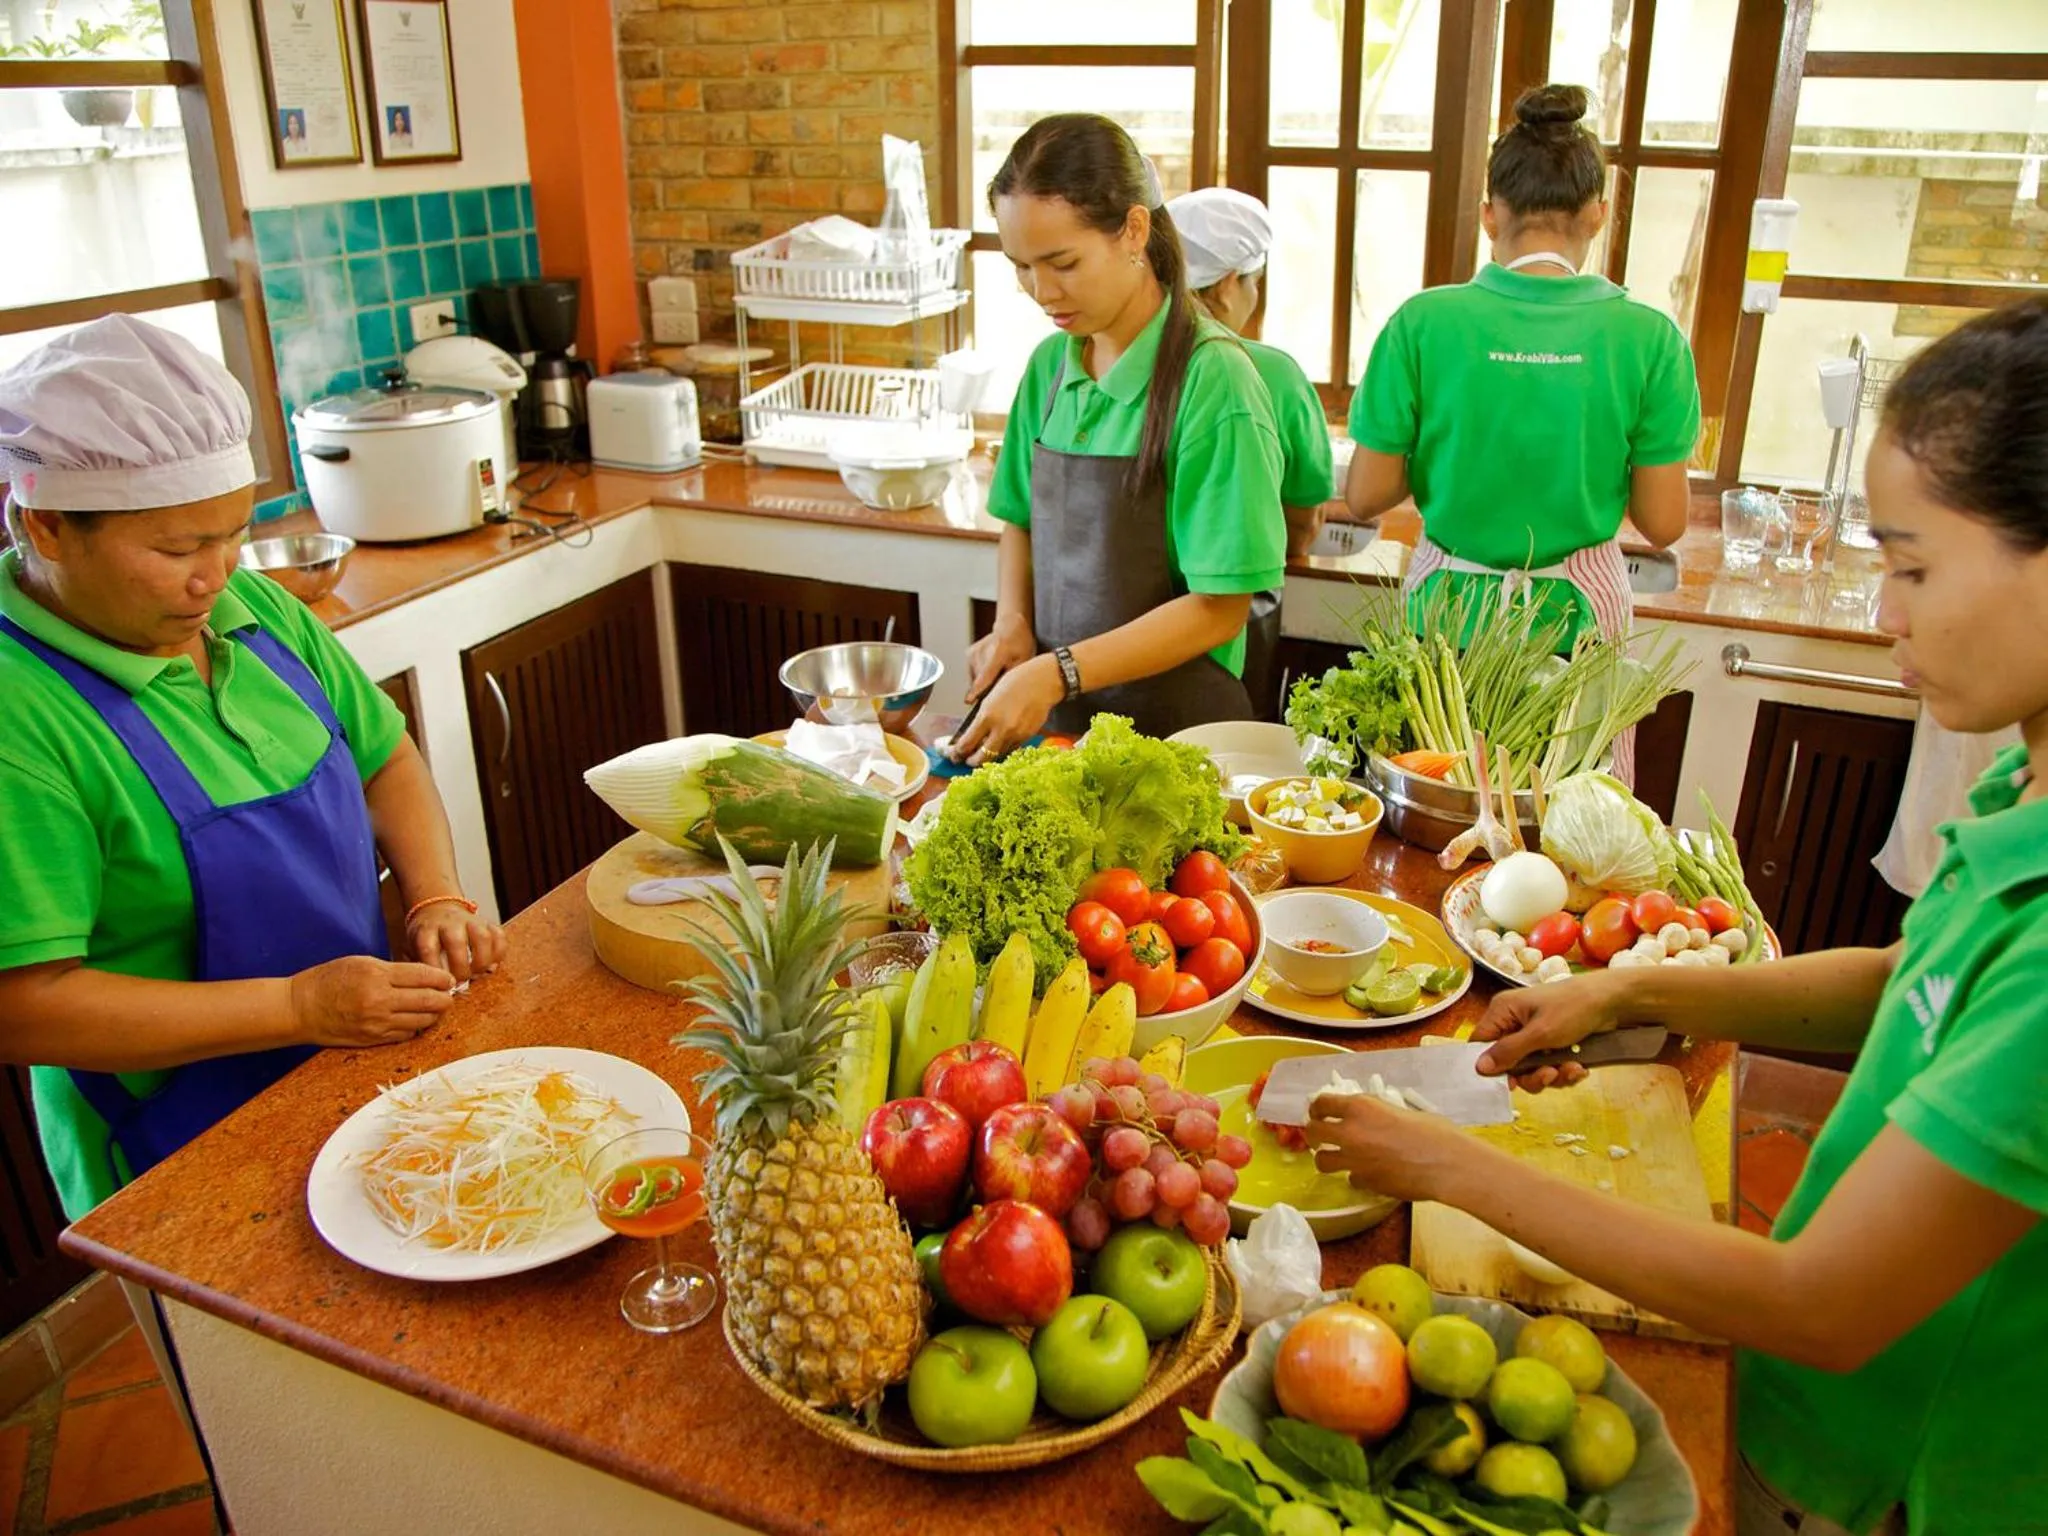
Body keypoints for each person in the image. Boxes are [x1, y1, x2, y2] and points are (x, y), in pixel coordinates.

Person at [1309, 297, 2048, 1534]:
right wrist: (1635, 988)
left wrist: (1447, 1164)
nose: (1884, 612)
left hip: (1888, 1479)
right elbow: (1910, 976)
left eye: (1913, 565)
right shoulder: (2024, 784)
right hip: (1817, 1415)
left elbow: (1817, 1300)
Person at [0, 315, 502, 1218]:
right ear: (44, 525)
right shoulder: (20, 715)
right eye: (175, 550)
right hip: (174, 1143)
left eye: (230, 535)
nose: (214, 575)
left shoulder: (255, 606)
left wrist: (435, 895)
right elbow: (25, 1005)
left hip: (343, 1064)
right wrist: (299, 1008)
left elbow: (384, 758)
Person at [1346, 82, 1701, 780]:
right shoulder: (1650, 338)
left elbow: (1364, 496)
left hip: (1445, 633)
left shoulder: (1423, 323)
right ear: (1598, 214)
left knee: (1439, 814)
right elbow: (1663, 522)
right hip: (1575, 631)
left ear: (1489, 214)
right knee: (1561, 838)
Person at [951, 114, 1288, 762]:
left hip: (1181, 746)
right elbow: (1018, 519)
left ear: (1134, 230)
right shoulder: (1051, 366)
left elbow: (1220, 607)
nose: (1040, 291)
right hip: (1063, 733)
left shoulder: (1214, 382)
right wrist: (1012, 626)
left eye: (1063, 262)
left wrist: (1055, 671)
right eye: (1021, 267)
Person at [1169, 185, 1336, 717]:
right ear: (1226, 284)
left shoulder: (1114, 358)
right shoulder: (1273, 374)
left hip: (1101, 642)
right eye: (1254, 283)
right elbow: (1303, 522)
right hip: (1222, 644)